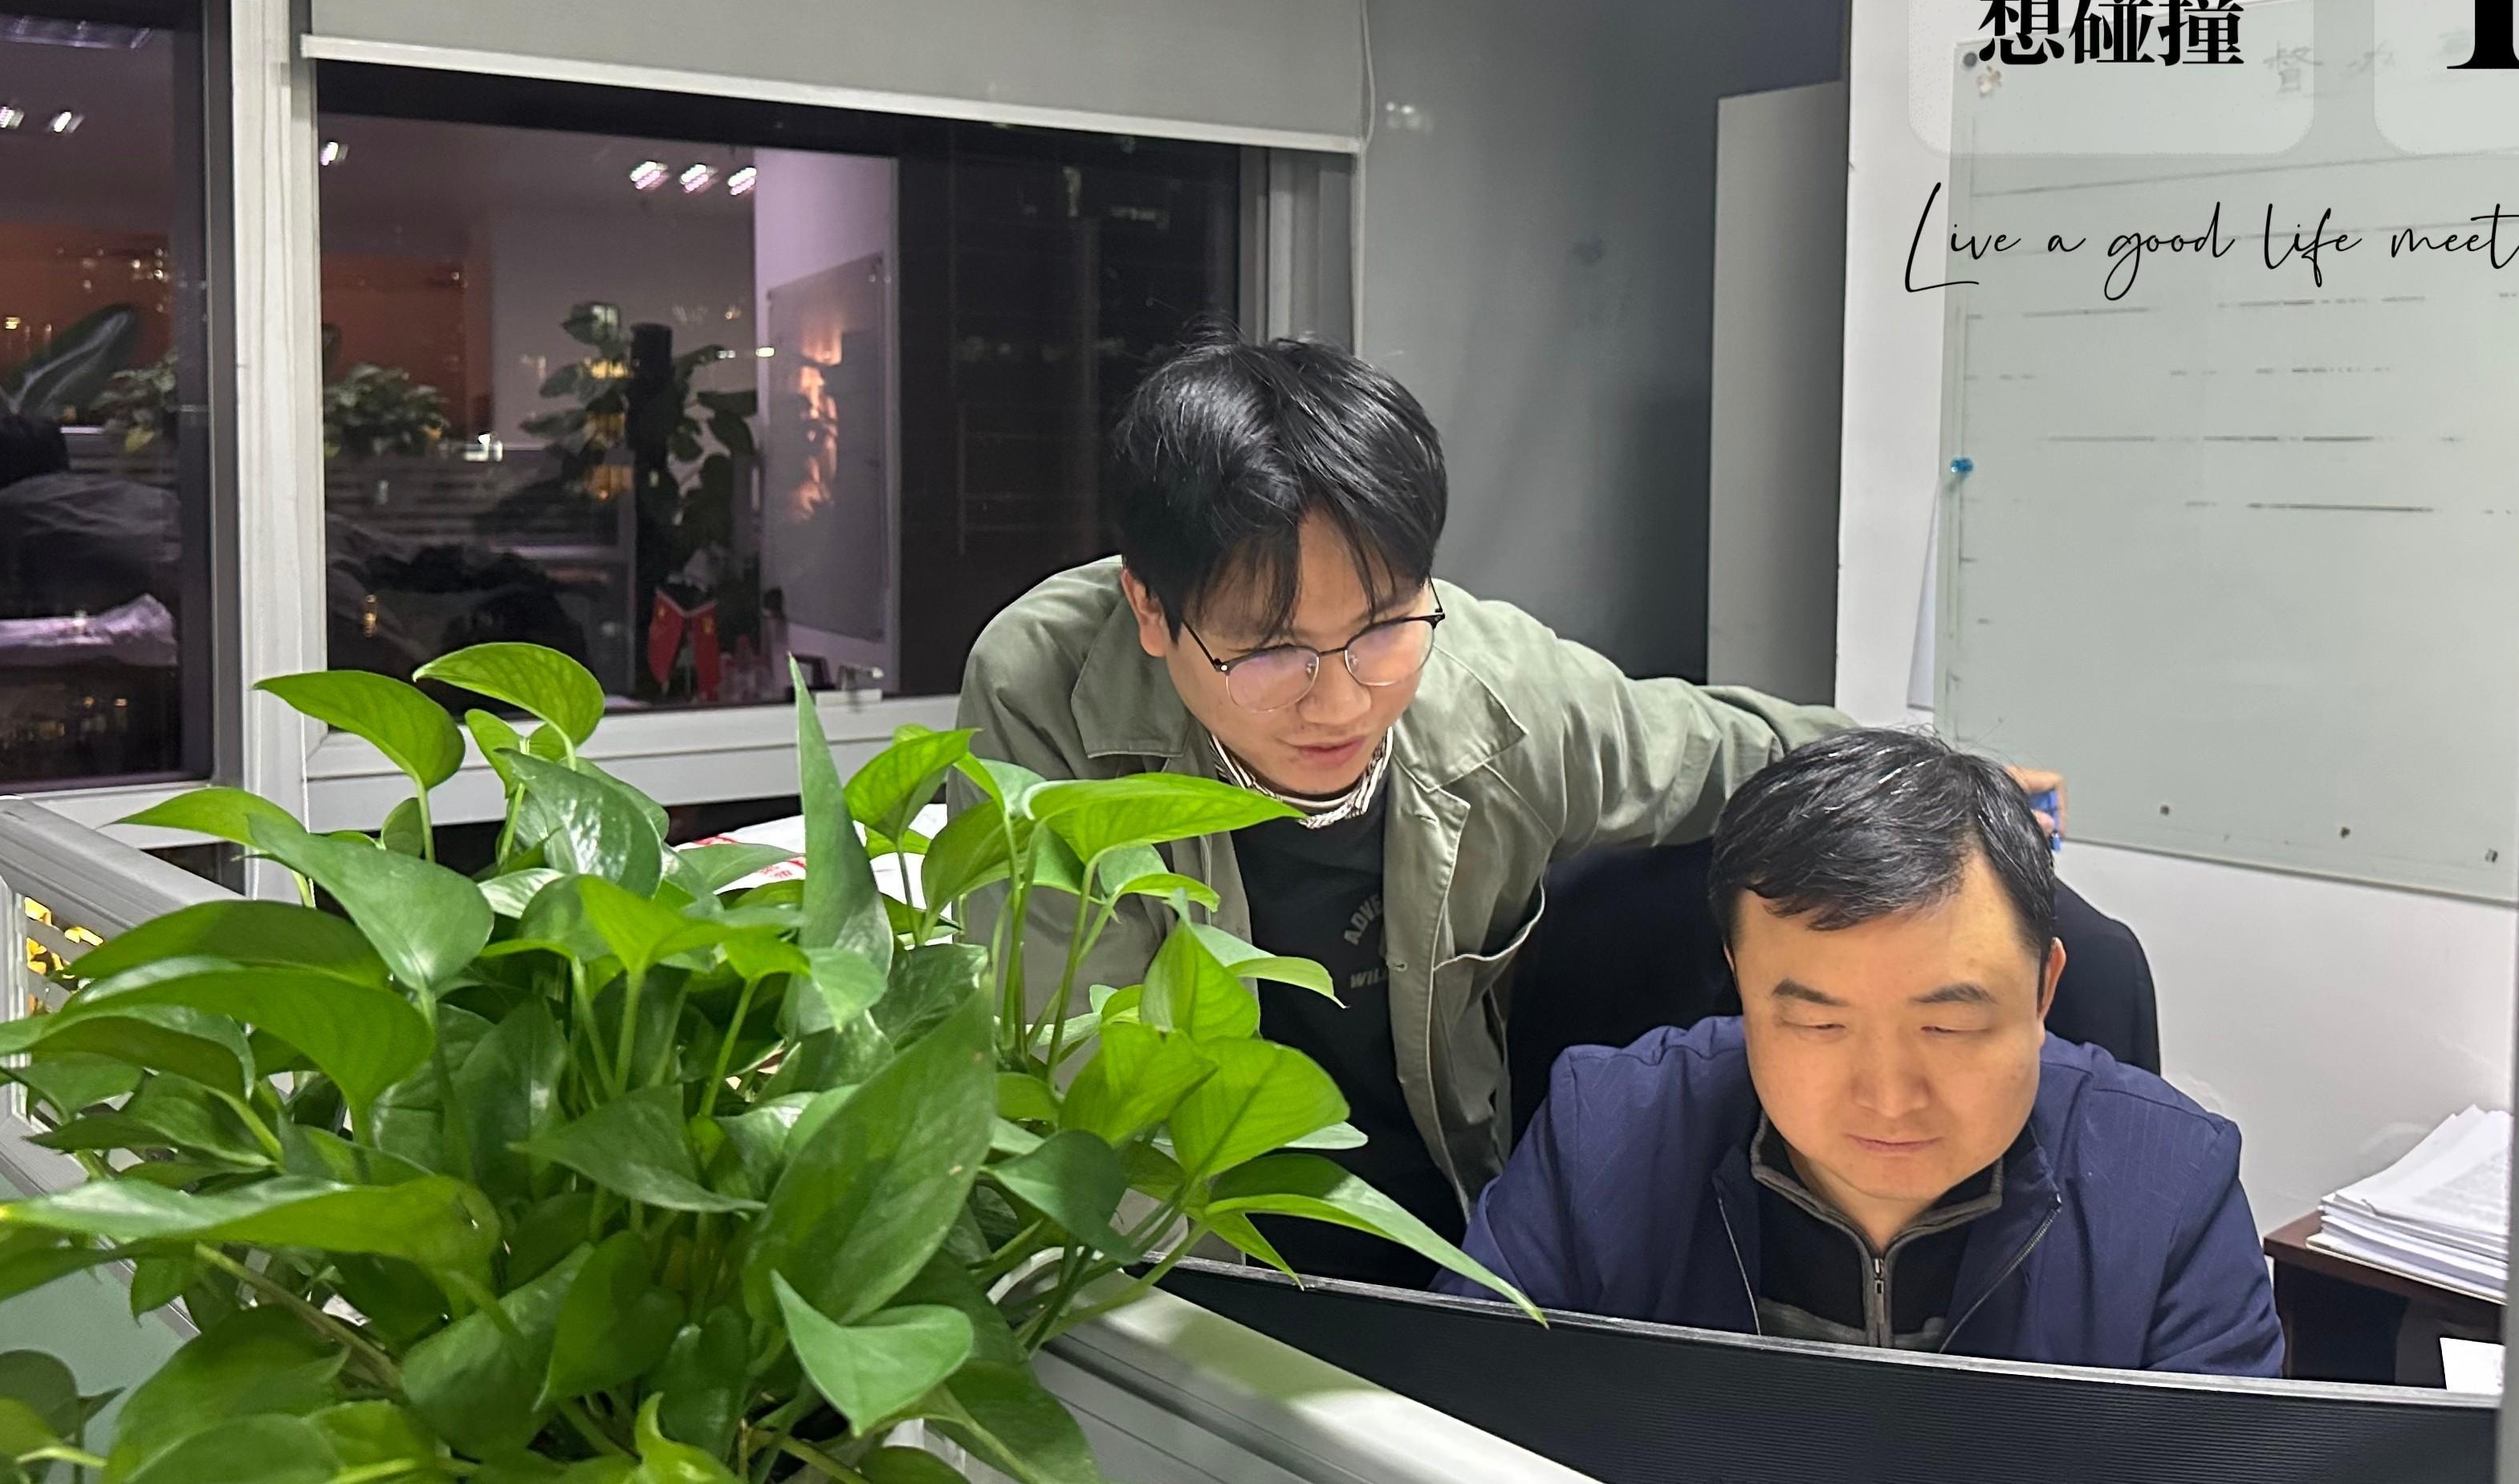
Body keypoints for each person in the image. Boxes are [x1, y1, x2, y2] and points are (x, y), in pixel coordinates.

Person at [955, 337, 2061, 1286]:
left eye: (1383, 627)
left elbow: (1714, 750)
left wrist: (1936, 779)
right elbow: (1095, 1103)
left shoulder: (1489, 684)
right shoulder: (1049, 694)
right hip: (1200, 1251)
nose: (1340, 701)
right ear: (1150, 610)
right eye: (1273, 650)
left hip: (1450, 1218)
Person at [1442, 729, 2282, 1376]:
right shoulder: (1604, 1133)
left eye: (1947, 1028)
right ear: (1741, 983)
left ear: (2043, 992)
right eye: (1819, 1025)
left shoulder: (2172, 1184)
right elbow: (1458, 1419)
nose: (1888, 1097)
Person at [0, 412, 180, 620]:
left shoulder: (3, 510)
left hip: (128, 631)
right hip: (188, 620)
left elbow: (2, 623)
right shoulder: (142, 495)